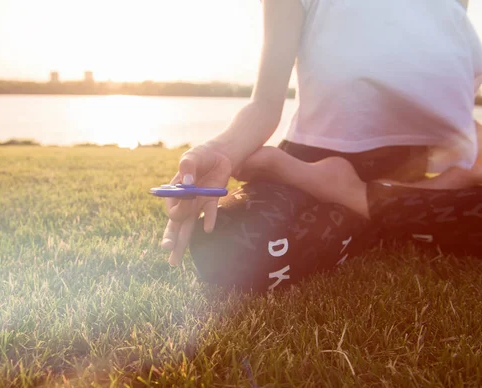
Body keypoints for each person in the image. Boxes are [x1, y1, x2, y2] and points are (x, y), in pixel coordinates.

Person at [161, 0, 482, 292]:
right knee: (225, 247)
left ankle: (355, 197)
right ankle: (406, 209)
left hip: (407, 170)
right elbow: (265, 103)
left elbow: (451, 107)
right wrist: (221, 151)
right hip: (311, 161)